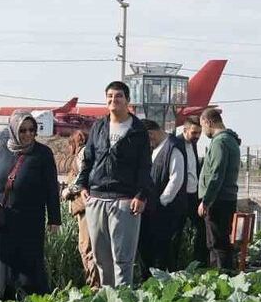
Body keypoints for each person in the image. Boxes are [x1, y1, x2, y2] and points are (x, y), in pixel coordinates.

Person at [75, 80, 153, 287]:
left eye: (118, 96)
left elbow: (145, 166)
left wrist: (141, 195)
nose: (113, 100)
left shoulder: (138, 130)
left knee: (123, 258)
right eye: (110, 96)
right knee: (101, 258)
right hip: (97, 198)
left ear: (128, 101)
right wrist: (83, 186)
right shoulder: (99, 127)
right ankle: (107, 298)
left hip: (125, 200)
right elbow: (88, 158)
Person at [0, 111, 62, 302]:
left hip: (29, 220)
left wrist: (54, 219)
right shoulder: (3, 151)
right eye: (23, 130)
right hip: (2, 221)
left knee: (29, 269)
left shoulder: (42, 154)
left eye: (32, 130)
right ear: (14, 130)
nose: (27, 134)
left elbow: (51, 187)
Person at [139, 120, 187, 278]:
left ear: (151, 134)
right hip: (151, 210)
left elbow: (176, 179)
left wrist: (161, 201)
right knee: (149, 252)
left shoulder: (173, 147)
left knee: (162, 253)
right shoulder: (155, 148)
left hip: (165, 212)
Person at [197, 107, 241, 271]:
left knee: (217, 244)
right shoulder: (230, 140)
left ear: (208, 122)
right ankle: (226, 276)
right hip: (226, 199)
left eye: (202, 127)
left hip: (218, 200)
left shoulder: (219, 142)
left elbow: (216, 173)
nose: (203, 132)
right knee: (221, 242)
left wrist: (206, 201)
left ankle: (222, 278)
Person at [62, 128, 101, 288]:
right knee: (87, 247)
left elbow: (82, 178)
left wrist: (68, 191)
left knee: (87, 248)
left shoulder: (83, 154)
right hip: (86, 207)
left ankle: (94, 287)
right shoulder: (91, 153)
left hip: (86, 208)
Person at [180, 116, 209, 267]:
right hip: (180, 197)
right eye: (194, 133)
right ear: (185, 130)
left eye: (199, 133)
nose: (197, 136)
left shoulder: (193, 145)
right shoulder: (176, 144)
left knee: (201, 228)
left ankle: (198, 262)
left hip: (194, 195)